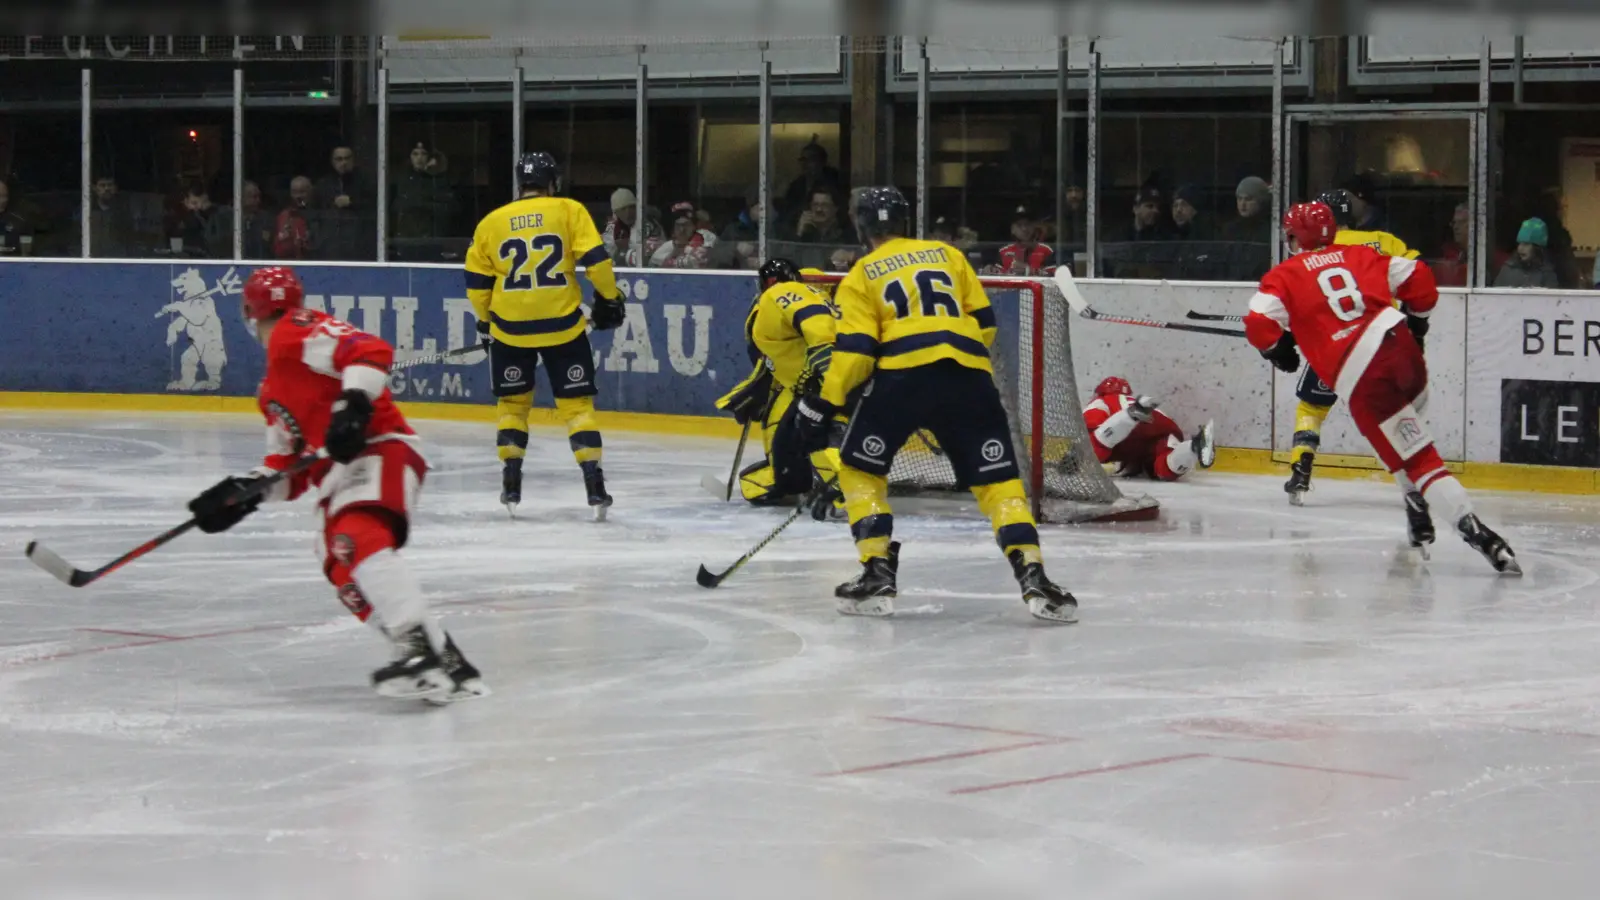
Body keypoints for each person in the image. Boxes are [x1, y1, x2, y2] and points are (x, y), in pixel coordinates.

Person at [186, 266, 488, 702]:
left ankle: (418, 650)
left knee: (356, 534)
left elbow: (369, 349)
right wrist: (242, 494)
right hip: (340, 473)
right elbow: (290, 471)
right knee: (336, 558)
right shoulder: (270, 391)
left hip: (381, 448)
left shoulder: (295, 329)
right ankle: (448, 663)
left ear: (249, 311)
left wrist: (355, 402)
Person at [793, 186, 1078, 622]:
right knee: (998, 484)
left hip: (902, 379)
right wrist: (947, 382)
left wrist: (824, 404)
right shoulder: (949, 256)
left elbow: (856, 353)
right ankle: (1034, 574)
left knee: (858, 469)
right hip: (969, 377)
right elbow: (984, 325)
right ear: (905, 223)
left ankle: (876, 570)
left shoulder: (862, 273)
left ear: (862, 226)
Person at [1245, 201, 1519, 574]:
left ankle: (1481, 536)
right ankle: (1414, 502)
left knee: (1418, 457)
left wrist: (1277, 350)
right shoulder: (1362, 255)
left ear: (1295, 237)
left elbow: (1257, 322)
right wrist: (1418, 325)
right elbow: (1420, 280)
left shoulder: (1284, 275)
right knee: (1402, 437)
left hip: (1364, 376)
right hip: (1403, 352)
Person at [464, 152, 627, 518]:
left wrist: (486, 321)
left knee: (513, 406)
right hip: (562, 326)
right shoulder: (568, 209)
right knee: (577, 408)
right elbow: (597, 261)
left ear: (521, 184)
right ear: (553, 181)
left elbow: (476, 283)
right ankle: (594, 484)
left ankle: (510, 480)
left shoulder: (492, 221)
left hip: (510, 329)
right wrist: (610, 297)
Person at [1280, 188, 1424, 503]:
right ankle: (1412, 484)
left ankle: (1301, 467)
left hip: (1338, 349)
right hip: (1384, 347)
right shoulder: (1385, 241)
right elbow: (1418, 273)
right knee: (1395, 417)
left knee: (1312, 407)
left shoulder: (1315, 250)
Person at [715, 258, 844, 518]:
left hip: (829, 380)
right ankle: (797, 481)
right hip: (827, 378)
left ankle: (845, 490)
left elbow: (811, 323)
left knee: (813, 430)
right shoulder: (814, 288)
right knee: (786, 439)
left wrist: (823, 355)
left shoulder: (780, 295)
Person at [1084, 377, 1215, 481]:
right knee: (1162, 468)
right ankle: (1194, 446)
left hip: (1125, 425)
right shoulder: (1133, 400)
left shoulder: (1101, 401)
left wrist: (1078, 456)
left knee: (1093, 447)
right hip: (1162, 427)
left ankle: (1129, 416)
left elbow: (1091, 427)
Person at [314, 145, 376, 260]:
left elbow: (374, 206)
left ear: (353, 160)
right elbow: (316, 211)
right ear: (332, 162)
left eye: (347, 158)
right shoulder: (323, 184)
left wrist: (352, 202)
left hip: (358, 244)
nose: (344, 162)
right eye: (339, 159)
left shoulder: (365, 181)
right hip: (331, 245)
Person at [391, 142, 458, 240]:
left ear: (430, 157)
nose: (419, 158)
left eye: (423, 154)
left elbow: (451, 206)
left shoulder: (438, 180)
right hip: (408, 237)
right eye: (415, 154)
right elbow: (397, 205)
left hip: (432, 236)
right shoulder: (403, 179)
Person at [1493, 217, 1561, 289]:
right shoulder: (1507, 270)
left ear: (1537, 248)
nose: (1520, 248)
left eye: (1526, 244)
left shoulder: (1547, 274)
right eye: (1519, 244)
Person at [988, 205, 1053, 275]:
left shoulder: (1046, 250)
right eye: (1019, 225)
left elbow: (1053, 274)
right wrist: (990, 270)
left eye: (1027, 224)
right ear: (1012, 230)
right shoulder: (1003, 251)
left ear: (1034, 227)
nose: (1024, 229)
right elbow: (998, 275)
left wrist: (1029, 270)